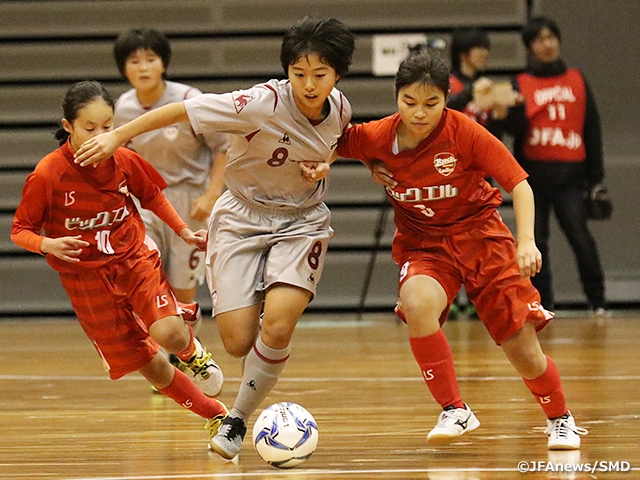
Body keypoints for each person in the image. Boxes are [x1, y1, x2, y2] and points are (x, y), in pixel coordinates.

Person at [73, 17, 356, 460]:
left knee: (279, 324)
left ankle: (237, 420)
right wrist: (116, 137)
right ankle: (258, 309)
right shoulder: (258, 103)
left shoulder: (340, 106)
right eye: (298, 74)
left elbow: (335, 140)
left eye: (319, 75)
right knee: (237, 342)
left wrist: (324, 164)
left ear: (337, 74)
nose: (308, 84)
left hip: (301, 221)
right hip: (242, 219)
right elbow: (181, 112)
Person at [335, 51, 588, 450]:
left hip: (482, 240)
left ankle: (560, 418)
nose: (419, 113)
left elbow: (520, 184)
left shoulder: (465, 133)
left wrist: (526, 241)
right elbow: (332, 142)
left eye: (431, 103)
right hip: (426, 246)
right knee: (417, 304)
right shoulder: (379, 135)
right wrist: (358, 163)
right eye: (409, 102)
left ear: (446, 100)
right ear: (397, 97)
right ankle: (455, 409)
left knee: (523, 351)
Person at [10, 81, 228, 445]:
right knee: (149, 365)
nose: (101, 135)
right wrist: (47, 243)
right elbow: (20, 229)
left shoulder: (123, 159)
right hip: (86, 282)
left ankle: (194, 354)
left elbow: (153, 195)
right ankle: (216, 415)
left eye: (108, 126)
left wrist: (183, 230)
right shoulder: (48, 174)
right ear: (68, 127)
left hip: (131, 259)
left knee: (169, 335)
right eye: (89, 128)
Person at [113, 28, 227, 310]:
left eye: (150, 59)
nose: (143, 67)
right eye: (134, 61)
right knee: (143, 274)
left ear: (163, 63)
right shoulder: (123, 107)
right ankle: (153, 348)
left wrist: (211, 195)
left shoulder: (189, 99)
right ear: (123, 68)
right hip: (145, 202)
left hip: (188, 201)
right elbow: (119, 157)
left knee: (181, 293)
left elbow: (224, 147)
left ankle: (186, 347)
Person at [504, 16, 608, 315]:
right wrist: (512, 108)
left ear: (559, 41)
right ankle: (543, 302)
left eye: (551, 37)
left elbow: (592, 128)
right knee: (536, 243)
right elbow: (515, 130)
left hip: (571, 178)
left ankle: (598, 301)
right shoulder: (521, 82)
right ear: (529, 47)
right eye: (539, 39)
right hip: (534, 178)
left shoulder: (577, 78)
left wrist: (597, 179)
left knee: (581, 238)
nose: (546, 44)